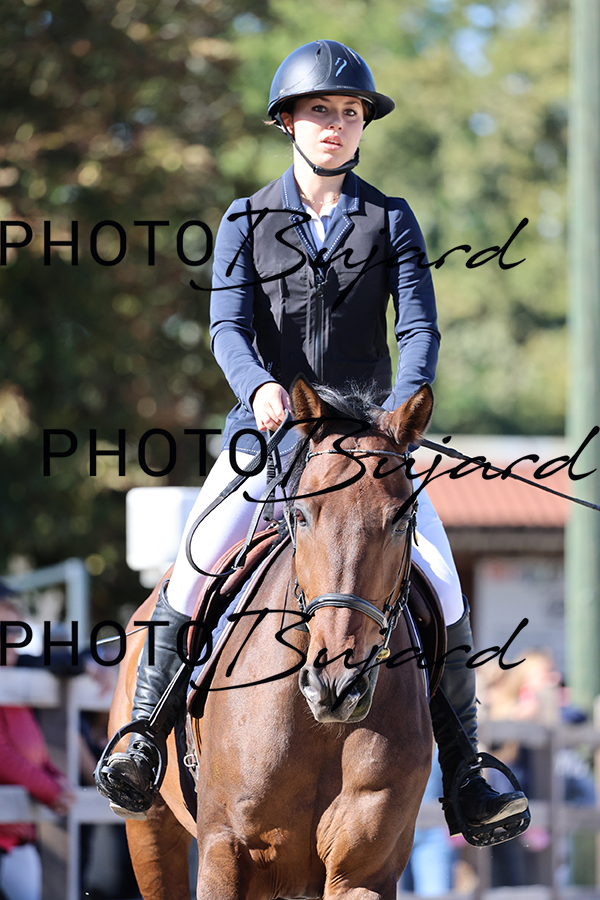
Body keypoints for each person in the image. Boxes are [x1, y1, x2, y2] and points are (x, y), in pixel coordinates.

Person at [96, 39, 528, 838]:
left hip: (368, 445)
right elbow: (227, 328)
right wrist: (259, 387)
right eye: (321, 110)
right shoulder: (246, 219)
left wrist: (397, 415)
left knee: (442, 580)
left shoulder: (391, 219)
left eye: (350, 111)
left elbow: (419, 329)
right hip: (270, 434)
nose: (336, 123)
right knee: (196, 562)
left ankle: (467, 772)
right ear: (288, 122)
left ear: (363, 126)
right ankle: (144, 737)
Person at [0, 588, 75, 900]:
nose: (10, 639)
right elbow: (3, 756)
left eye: (15, 631)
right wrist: (51, 789)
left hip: (17, 836)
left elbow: (31, 749)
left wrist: (54, 776)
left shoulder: (16, 684)